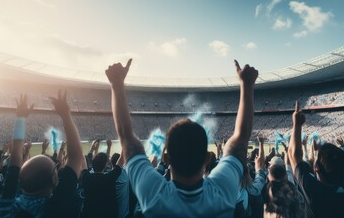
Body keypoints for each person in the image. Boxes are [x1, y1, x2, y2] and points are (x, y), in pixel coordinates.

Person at [105, 59, 258, 217]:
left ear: (167, 158)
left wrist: (116, 84)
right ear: (206, 159)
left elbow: (126, 137)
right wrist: (246, 85)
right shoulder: (221, 191)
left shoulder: (153, 195)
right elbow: (241, 138)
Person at [0, 92, 86, 218]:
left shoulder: (5, 207)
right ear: (54, 179)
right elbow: (76, 157)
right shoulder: (57, 208)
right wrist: (65, 114)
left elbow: (14, 158)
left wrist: (21, 118)